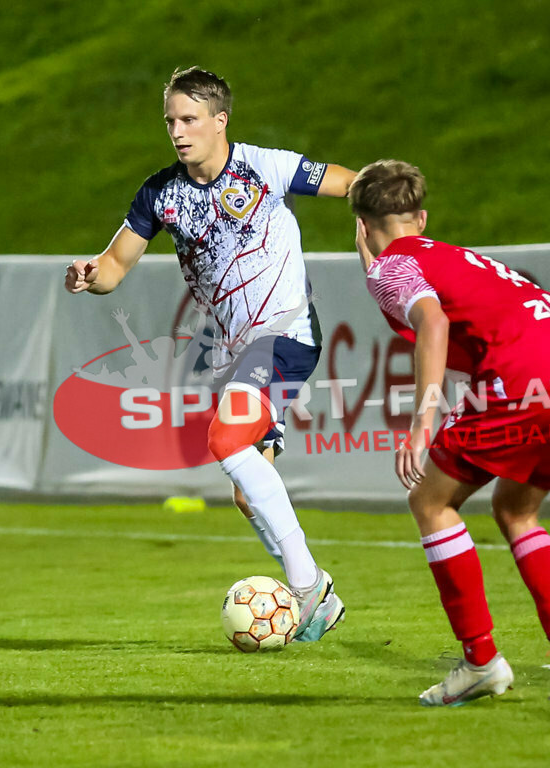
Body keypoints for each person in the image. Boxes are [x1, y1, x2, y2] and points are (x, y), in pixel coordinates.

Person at [65, 67, 356, 642]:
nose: (178, 131)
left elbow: (348, 182)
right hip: (233, 350)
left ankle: (309, 588)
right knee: (247, 492)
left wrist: (384, 206)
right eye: (171, 120)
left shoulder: (266, 167)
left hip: (283, 333)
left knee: (225, 441)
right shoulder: (161, 193)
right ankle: (318, 599)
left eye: (190, 119)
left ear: (220, 122)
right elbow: (115, 266)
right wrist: (89, 274)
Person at [349, 159, 550, 705]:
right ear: (421, 217)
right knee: (517, 510)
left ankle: (481, 659)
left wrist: (424, 420)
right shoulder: (454, 256)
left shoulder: (391, 267)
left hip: (528, 374)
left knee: (430, 501)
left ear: (363, 226)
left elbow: (432, 323)